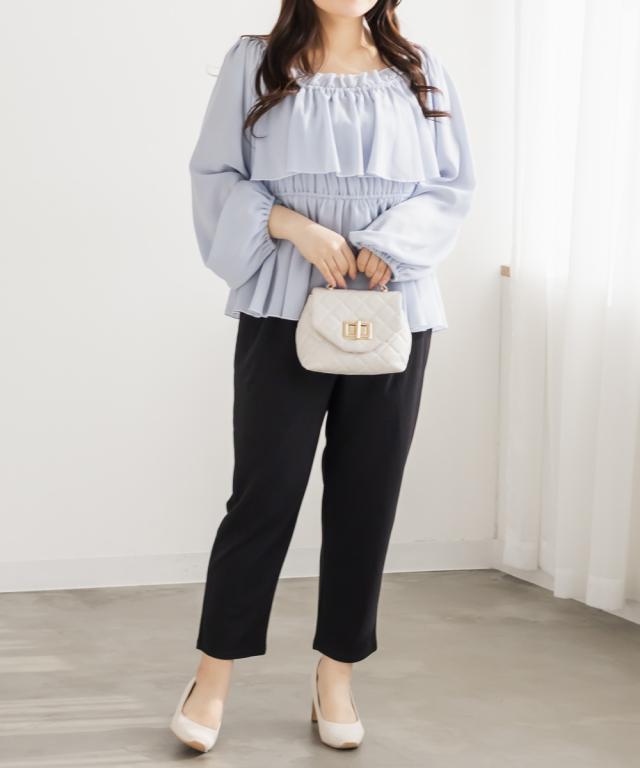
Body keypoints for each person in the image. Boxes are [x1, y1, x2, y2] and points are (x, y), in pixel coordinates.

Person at [170, 0, 475, 753]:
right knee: (264, 494)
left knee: (367, 497)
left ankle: (336, 675)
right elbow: (214, 174)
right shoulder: (255, 61)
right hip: (284, 301)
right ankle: (212, 677)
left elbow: (450, 188)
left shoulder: (419, 70)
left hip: (392, 306)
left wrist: (389, 244)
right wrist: (293, 225)